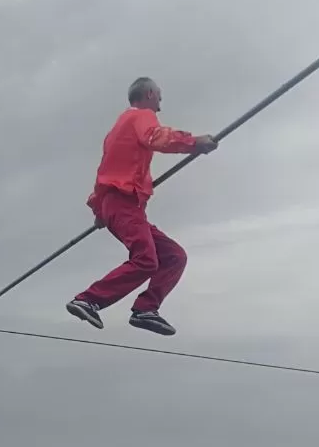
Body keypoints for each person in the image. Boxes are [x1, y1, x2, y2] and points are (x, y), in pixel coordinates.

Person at [67, 77, 218, 337]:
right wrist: (194, 142)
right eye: (158, 96)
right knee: (146, 260)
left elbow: (105, 170)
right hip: (123, 203)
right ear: (148, 94)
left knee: (174, 256)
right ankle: (89, 299)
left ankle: (147, 309)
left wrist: (100, 211)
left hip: (122, 206)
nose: (160, 102)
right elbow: (156, 137)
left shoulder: (118, 128)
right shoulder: (141, 117)